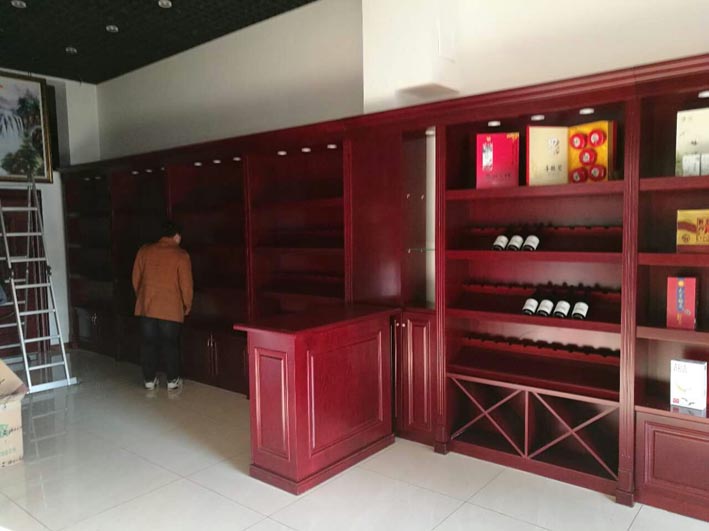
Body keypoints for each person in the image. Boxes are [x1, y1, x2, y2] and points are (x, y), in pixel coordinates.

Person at [132, 220, 193, 391]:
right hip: (171, 309)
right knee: (170, 344)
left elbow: (136, 278)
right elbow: (186, 285)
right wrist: (187, 304)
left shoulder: (144, 251)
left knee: (148, 344)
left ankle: (149, 380)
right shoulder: (181, 255)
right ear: (176, 236)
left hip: (147, 306)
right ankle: (172, 380)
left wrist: (142, 297)